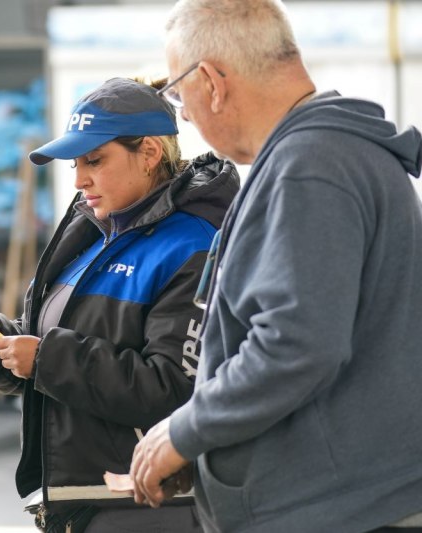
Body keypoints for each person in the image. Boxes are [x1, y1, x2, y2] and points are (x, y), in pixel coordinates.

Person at [129, 1, 422, 532]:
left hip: (333, 511)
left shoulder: (307, 168)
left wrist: (186, 430)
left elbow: (296, 344)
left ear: (213, 82)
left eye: (178, 93)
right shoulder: (329, 155)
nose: (185, 114)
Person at [0, 77, 239, 532]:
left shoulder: (194, 244)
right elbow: (50, 365)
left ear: (149, 154)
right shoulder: (89, 235)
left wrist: (45, 358)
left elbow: (174, 392)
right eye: (76, 164)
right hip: (79, 505)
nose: (80, 178)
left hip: (147, 507)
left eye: (95, 160)